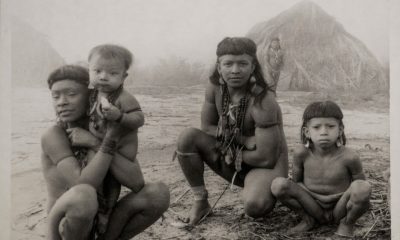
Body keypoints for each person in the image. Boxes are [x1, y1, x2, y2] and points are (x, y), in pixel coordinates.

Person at [41, 65, 170, 240]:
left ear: (91, 96)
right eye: (55, 96)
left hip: (100, 221)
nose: (61, 102)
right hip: (65, 229)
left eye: (71, 94)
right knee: (83, 195)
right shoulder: (54, 135)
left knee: (158, 193)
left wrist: (96, 142)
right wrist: (106, 143)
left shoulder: (101, 131)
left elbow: (136, 182)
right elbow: (81, 184)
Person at [175, 37, 288, 226]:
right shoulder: (215, 88)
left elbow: (266, 157)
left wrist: (229, 146)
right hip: (234, 153)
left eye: (242, 63)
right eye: (228, 64)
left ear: (253, 67)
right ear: (219, 67)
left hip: (266, 167)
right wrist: (240, 140)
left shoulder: (263, 99)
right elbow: (207, 127)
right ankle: (201, 201)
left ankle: (260, 188)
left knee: (255, 206)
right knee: (187, 137)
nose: (235, 70)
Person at [271, 101, 371, 238]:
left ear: (340, 130)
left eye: (330, 126)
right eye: (317, 127)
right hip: (312, 205)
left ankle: (347, 223)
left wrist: (338, 198)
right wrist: (318, 197)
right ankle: (308, 219)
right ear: (307, 131)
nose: (324, 132)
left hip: (339, 206)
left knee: (363, 188)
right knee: (279, 185)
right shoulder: (301, 153)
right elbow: (296, 183)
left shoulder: (350, 157)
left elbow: (360, 188)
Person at [86, 44, 145, 228]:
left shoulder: (124, 98)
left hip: (121, 151)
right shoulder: (93, 94)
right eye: (97, 71)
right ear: (89, 70)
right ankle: (96, 209)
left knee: (111, 183)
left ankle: (107, 211)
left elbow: (139, 118)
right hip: (104, 148)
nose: (103, 76)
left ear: (123, 77)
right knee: (97, 179)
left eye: (112, 73)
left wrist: (119, 116)